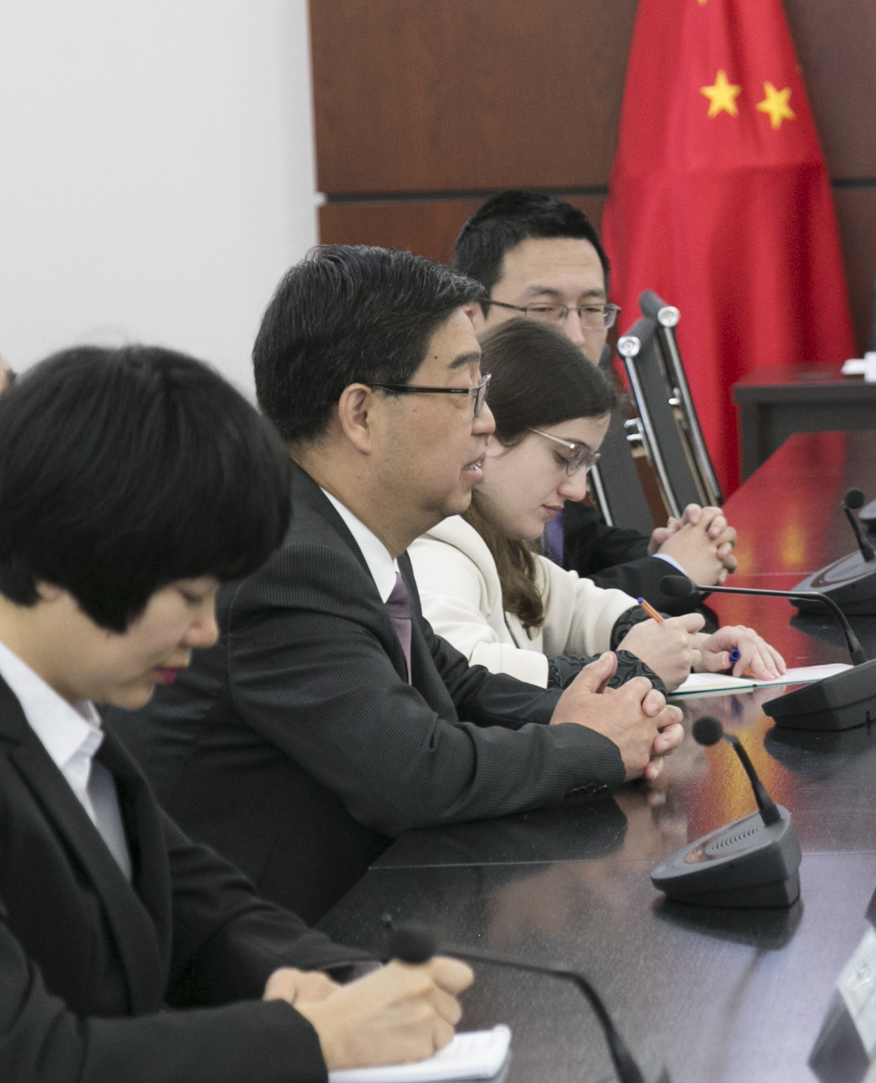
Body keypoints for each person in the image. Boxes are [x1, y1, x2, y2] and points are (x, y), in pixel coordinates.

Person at [0, 346, 473, 1083]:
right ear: (63, 563)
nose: (208, 631)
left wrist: (344, 983)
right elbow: (39, 1069)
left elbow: (208, 913)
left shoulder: (72, 722)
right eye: (189, 596)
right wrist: (320, 1038)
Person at [116, 246, 683, 924]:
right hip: (278, 946)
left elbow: (457, 686)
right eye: (465, 392)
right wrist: (592, 746)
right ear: (361, 414)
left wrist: (604, 710)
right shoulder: (283, 560)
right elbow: (416, 773)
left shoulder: (351, 528)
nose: (487, 421)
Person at [410, 318, 786, 689]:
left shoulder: (500, 544)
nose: (577, 490)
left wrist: (693, 649)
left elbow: (580, 609)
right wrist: (628, 667)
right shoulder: (435, 547)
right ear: (487, 434)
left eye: (585, 464)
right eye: (565, 457)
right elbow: (468, 673)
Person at [452, 191, 737, 600]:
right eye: (544, 309)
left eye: (591, 310)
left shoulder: (548, 423)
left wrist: (661, 551)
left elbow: (572, 541)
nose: (575, 337)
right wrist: (668, 571)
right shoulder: (446, 446)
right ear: (470, 316)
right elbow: (526, 609)